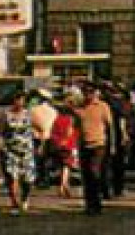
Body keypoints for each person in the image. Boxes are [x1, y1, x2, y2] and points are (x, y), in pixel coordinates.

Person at [0, 91, 37, 216]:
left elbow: (38, 127)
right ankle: (14, 203)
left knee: (27, 180)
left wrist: (39, 139)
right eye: (17, 99)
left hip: (26, 151)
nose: (19, 102)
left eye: (22, 100)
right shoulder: (6, 115)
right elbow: (0, 132)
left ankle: (24, 198)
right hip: (10, 150)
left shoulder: (29, 114)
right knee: (12, 177)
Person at [74, 85, 114, 216]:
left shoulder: (103, 106)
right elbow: (76, 127)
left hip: (98, 145)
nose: (88, 95)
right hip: (83, 146)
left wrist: (112, 145)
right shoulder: (80, 108)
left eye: (90, 92)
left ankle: (96, 204)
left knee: (94, 173)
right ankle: (89, 204)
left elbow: (110, 127)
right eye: (85, 92)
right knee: (86, 176)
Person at [47, 102, 80, 199]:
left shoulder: (57, 120)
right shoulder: (70, 120)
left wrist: (57, 142)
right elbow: (73, 132)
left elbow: (53, 133)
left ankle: (63, 185)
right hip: (69, 145)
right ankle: (63, 185)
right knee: (67, 166)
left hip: (58, 145)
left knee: (62, 166)